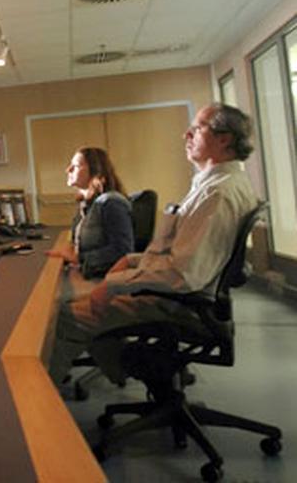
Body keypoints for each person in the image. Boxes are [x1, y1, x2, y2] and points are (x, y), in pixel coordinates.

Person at [48, 104, 259, 384]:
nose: (187, 134)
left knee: (62, 318)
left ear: (224, 139)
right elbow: (176, 255)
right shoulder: (217, 185)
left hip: (179, 303)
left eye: (197, 128)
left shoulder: (217, 194)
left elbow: (180, 274)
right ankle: (138, 370)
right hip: (186, 297)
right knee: (81, 301)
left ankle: (34, 417)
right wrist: (132, 262)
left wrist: (112, 284)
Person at [47, 147, 134, 280]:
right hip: (87, 272)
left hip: (101, 281)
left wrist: (78, 258)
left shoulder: (111, 203)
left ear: (95, 171)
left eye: (75, 166)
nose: (68, 170)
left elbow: (122, 252)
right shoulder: (88, 205)